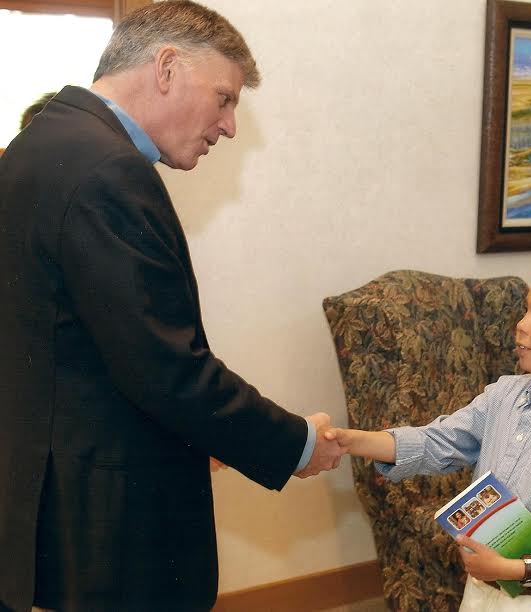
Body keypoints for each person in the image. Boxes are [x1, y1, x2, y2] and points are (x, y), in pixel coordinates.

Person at [0, 2, 344, 611]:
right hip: (111, 522)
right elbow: (163, 367)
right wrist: (293, 442)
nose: (230, 126)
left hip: (50, 490)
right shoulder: (109, 170)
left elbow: (78, 343)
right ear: (166, 68)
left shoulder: (37, 145)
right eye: (224, 98)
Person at [327, 267, 531, 612]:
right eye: (525, 310)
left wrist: (511, 570)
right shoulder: (504, 394)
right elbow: (440, 441)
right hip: (483, 585)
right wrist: (352, 441)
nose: (521, 324)